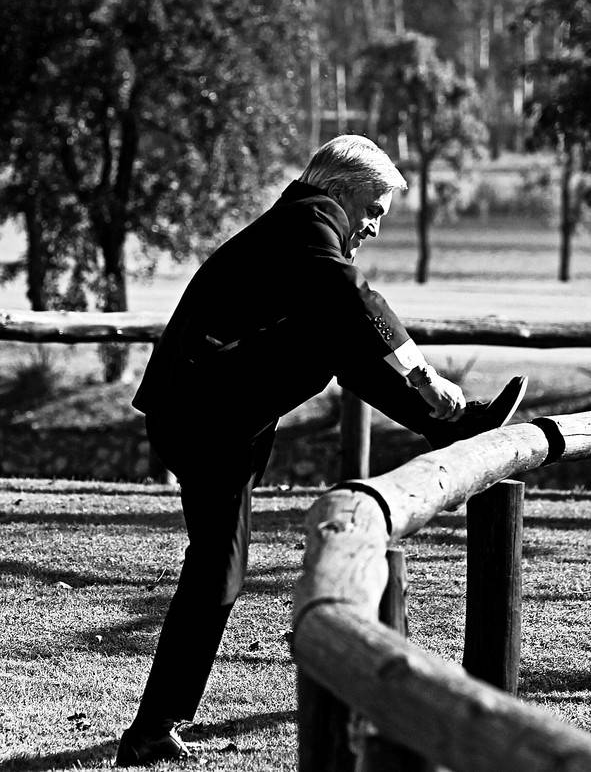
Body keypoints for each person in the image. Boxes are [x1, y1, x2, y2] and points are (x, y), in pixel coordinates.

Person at [115, 135, 527, 766]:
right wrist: (421, 374)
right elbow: (354, 298)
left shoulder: (299, 225)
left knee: (218, 575)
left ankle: (154, 728)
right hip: (206, 413)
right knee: (333, 325)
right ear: (343, 189)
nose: (376, 225)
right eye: (376, 208)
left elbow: (344, 313)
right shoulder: (308, 220)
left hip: (209, 417)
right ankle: (448, 424)